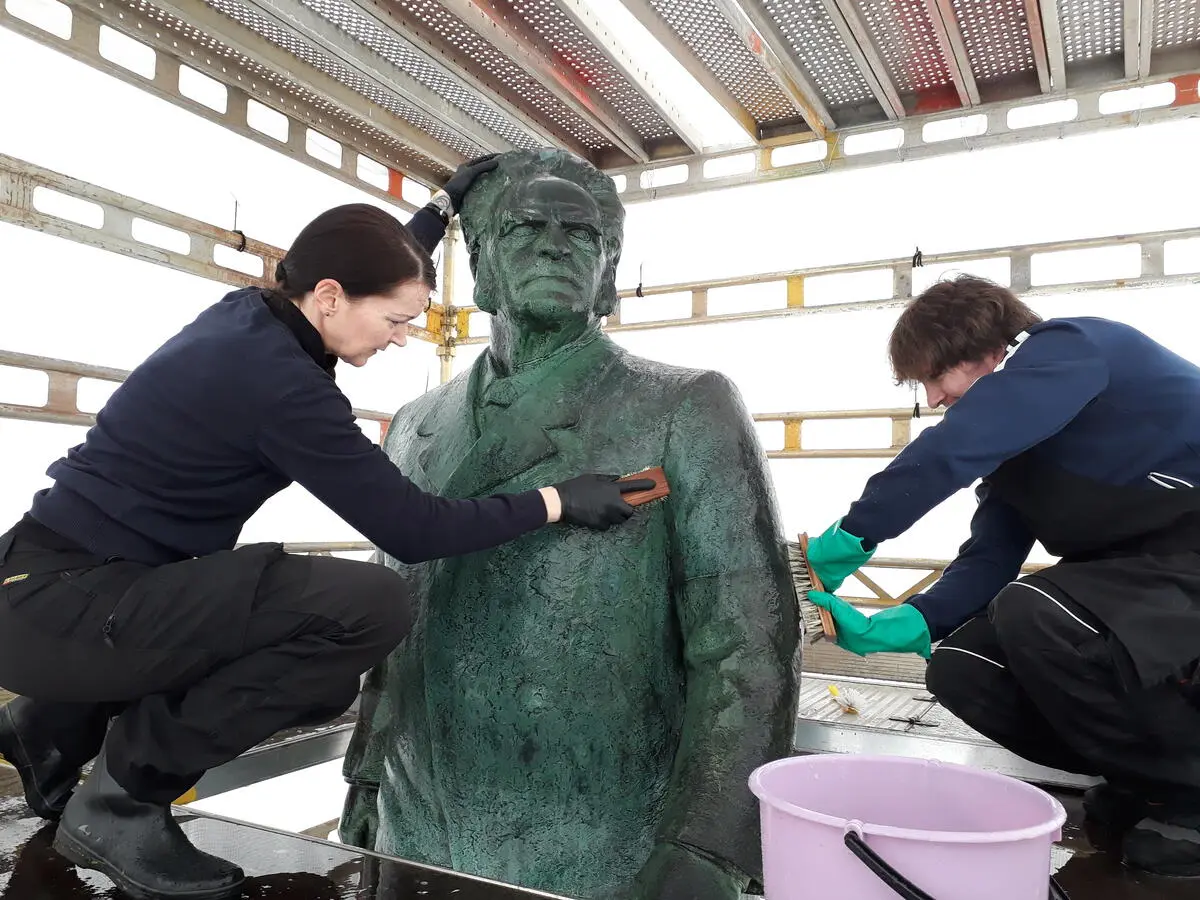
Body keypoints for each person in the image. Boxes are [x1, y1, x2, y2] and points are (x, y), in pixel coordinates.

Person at [0, 155, 653, 900]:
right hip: (68, 611)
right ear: (333, 297)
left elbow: (361, 265)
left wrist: (440, 210)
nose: (401, 338)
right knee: (366, 608)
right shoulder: (281, 387)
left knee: (319, 679)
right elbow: (413, 527)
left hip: (43, 592)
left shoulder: (253, 318)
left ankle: (49, 726)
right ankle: (120, 802)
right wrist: (558, 500)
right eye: (397, 321)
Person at [339, 148, 799, 900]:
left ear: (609, 272)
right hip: (416, 824)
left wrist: (710, 847)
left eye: (582, 235)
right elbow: (395, 618)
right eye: (526, 227)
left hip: (601, 841)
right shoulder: (415, 427)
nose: (555, 244)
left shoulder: (685, 408)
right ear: (481, 265)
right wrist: (365, 774)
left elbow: (749, 646)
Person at [804, 275, 1200, 878]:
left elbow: (951, 448)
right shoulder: (1020, 453)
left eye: (937, 378)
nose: (934, 399)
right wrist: (914, 621)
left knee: (1036, 613)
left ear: (992, 351)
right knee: (964, 667)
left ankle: (1190, 793)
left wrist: (855, 533)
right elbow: (990, 557)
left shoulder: (1076, 348)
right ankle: (1147, 779)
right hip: (1139, 586)